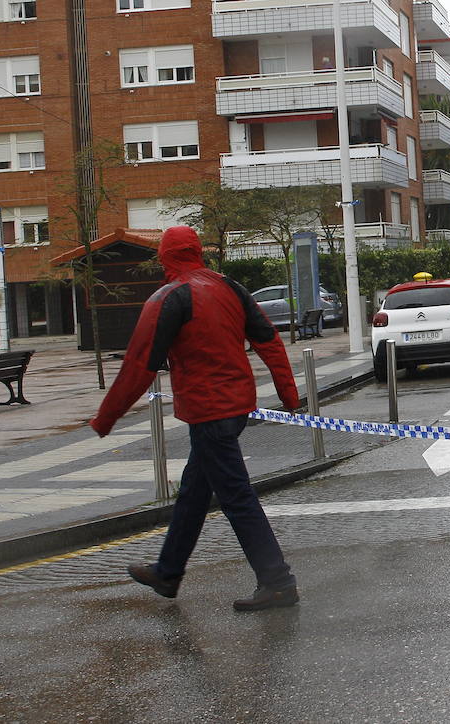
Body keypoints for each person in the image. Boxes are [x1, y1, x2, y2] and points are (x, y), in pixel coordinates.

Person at [90, 225, 303, 612]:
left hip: (209, 411)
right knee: (193, 491)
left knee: (237, 497)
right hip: (236, 406)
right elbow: (269, 340)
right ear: (198, 252)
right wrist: (289, 395)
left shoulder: (169, 297)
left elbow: (139, 365)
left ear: (164, 257)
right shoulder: (229, 286)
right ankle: (168, 573)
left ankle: (277, 581)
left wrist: (106, 419)